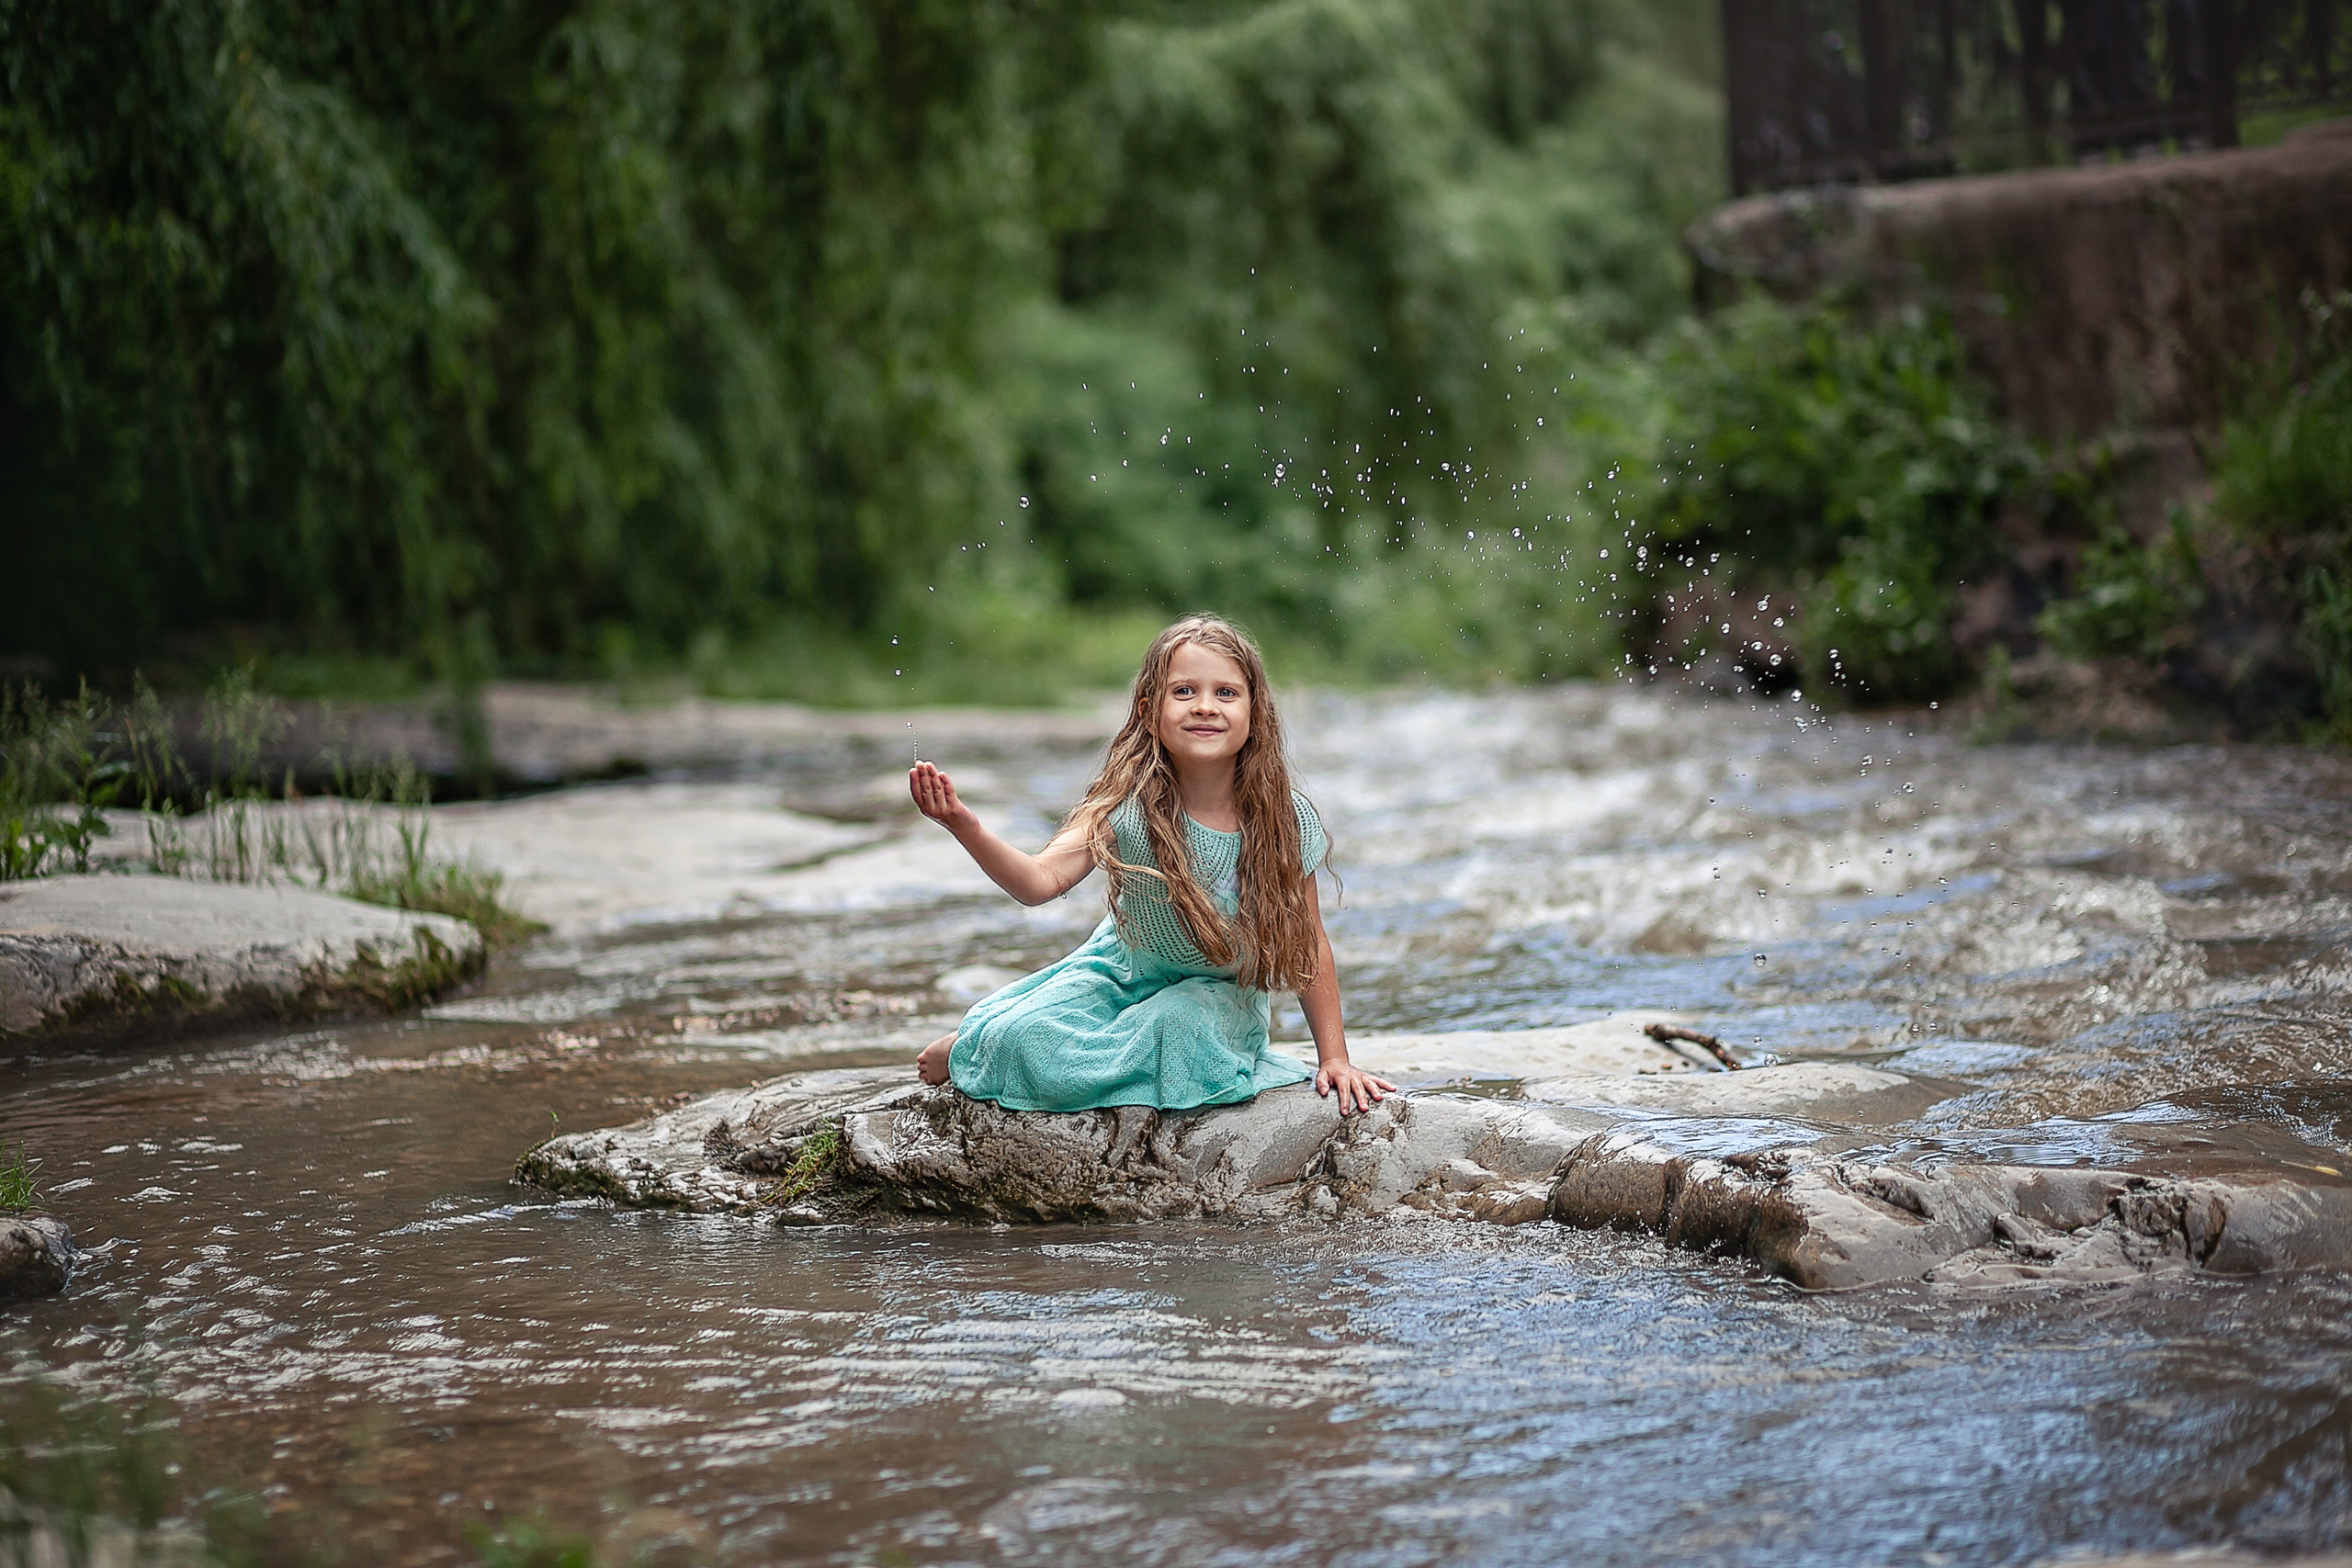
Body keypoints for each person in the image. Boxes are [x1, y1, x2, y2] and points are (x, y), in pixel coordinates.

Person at [907, 614, 1395, 1116]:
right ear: (1149, 709)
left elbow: (1308, 941)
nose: (1205, 707)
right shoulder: (1126, 808)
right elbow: (1038, 883)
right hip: (1121, 971)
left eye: (1226, 693)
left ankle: (986, 1046)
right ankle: (978, 1045)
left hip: (1217, 993)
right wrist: (965, 826)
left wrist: (1334, 1058)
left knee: (1181, 1032)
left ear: (1255, 712)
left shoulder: (1283, 820)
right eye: (1184, 691)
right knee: (1021, 1038)